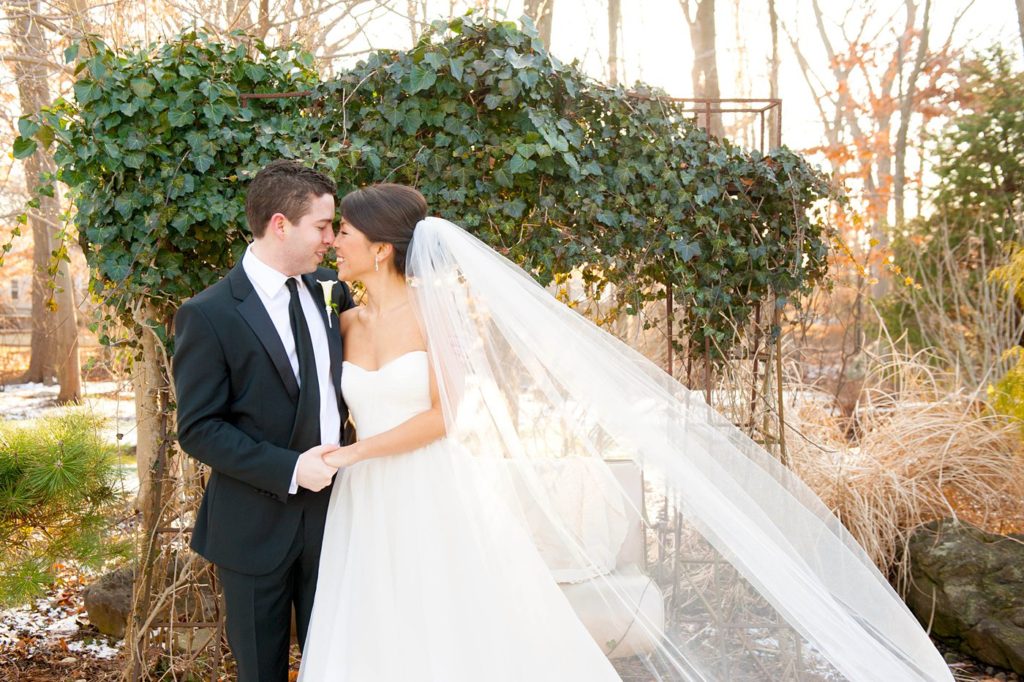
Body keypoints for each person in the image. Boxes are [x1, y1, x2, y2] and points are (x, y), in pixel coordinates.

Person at [299, 183, 955, 681]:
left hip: (430, 487)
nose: (335, 243)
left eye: (345, 232)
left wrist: (353, 452)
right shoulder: (346, 323)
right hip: (365, 496)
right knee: (376, 613)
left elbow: (447, 416)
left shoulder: (437, 318)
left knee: (450, 611)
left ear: (381, 245)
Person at [173, 160, 354, 681]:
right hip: (252, 528)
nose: (330, 239)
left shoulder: (330, 291)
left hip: (335, 521)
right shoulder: (209, 314)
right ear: (281, 224)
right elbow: (199, 428)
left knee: (338, 665)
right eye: (322, 226)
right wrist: (291, 468)